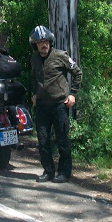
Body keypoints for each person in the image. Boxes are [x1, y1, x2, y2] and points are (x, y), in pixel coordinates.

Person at [29, 25, 83, 183]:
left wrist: (72, 94)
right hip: (42, 107)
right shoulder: (34, 59)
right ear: (35, 44)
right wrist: (34, 94)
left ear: (50, 42)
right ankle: (48, 171)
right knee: (43, 140)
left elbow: (77, 72)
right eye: (39, 42)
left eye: (45, 41)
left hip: (60, 105)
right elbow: (34, 78)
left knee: (62, 139)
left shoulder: (61, 56)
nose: (43, 45)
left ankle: (65, 173)